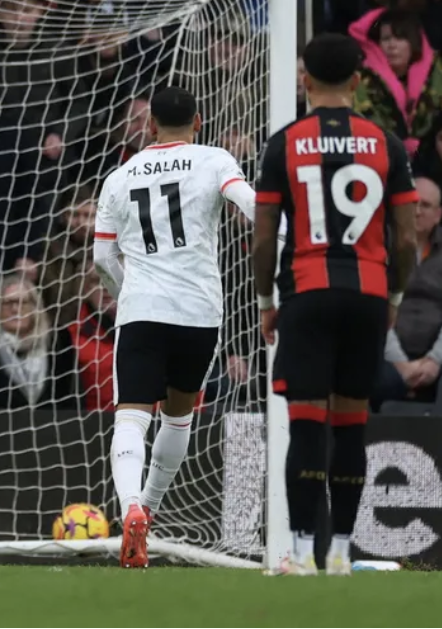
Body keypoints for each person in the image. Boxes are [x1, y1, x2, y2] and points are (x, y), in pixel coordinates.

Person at [252, 32, 420, 576]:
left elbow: (262, 237)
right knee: (351, 423)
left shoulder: (283, 143)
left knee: (306, 425)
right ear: (356, 81)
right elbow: (405, 238)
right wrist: (392, 296)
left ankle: (302, 553)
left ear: (305, 80)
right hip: (368, 294)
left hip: (306, 290)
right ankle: (344, 553)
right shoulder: (386, 143)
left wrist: (264, 300)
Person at [91, 85, 256, 569]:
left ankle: (130, 510)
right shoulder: (214, 159)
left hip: (142, 310)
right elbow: (248, 205)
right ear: (199, 121)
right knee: (178, 415)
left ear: (151, 125)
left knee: (131, 418)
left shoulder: (120, 177)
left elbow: (102, 256)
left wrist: (128, 293)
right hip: (199, 313)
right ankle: (154, 506)